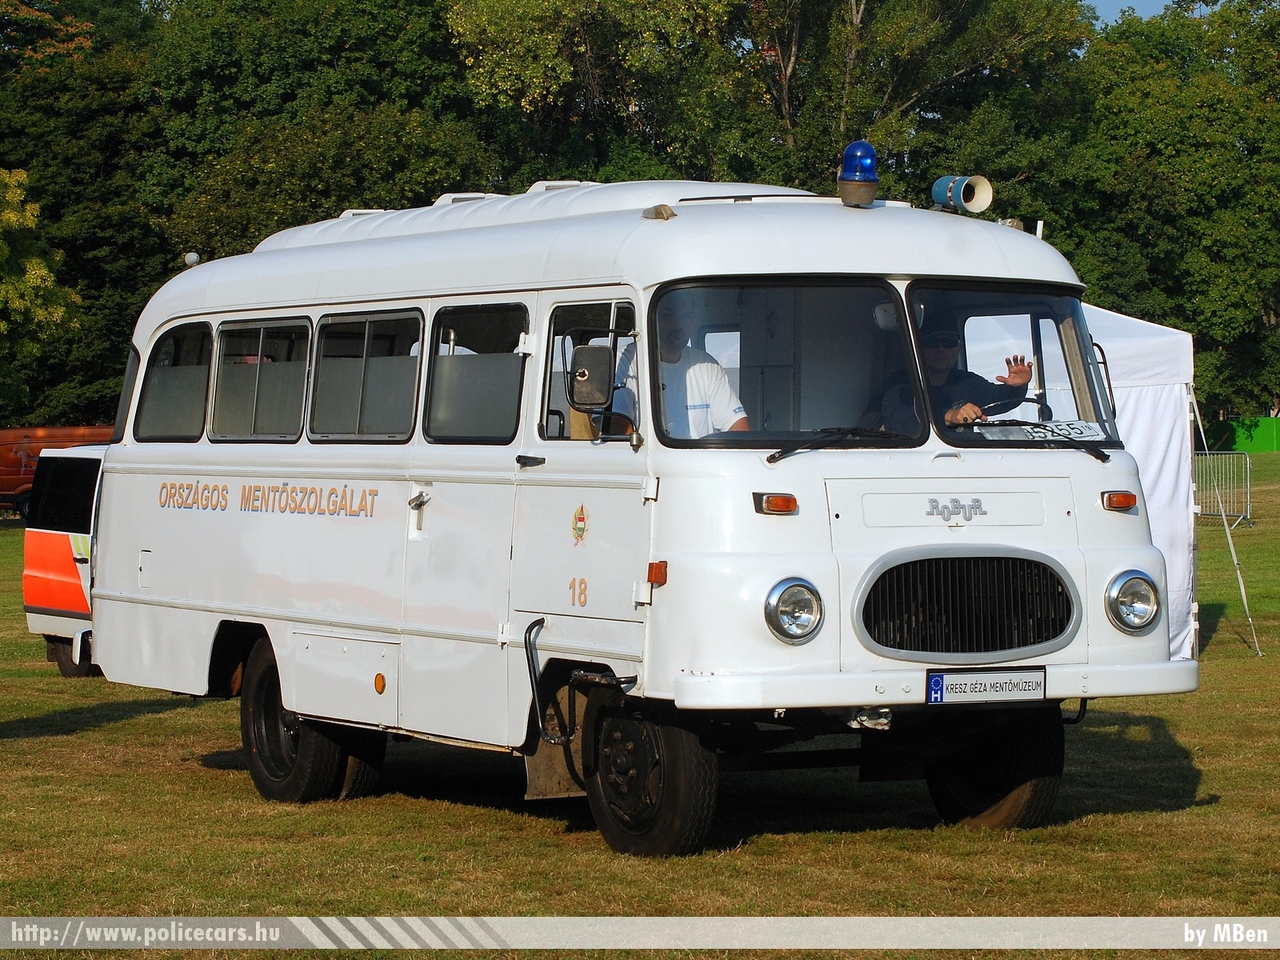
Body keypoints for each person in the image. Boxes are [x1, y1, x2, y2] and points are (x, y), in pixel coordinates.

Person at [614, 292, 749, 439]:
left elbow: (738, 427)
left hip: (700, 454)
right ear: (651, 318)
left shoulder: (706, 364)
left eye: (687, 316)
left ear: (694, 321)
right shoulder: (625, 362)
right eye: (669, 315)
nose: (679, 324)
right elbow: (619, 429)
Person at [881, 324, 1031, 432]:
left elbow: (1003, 401)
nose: (940, 349)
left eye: (949, 342)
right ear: (919, 348)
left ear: (958, 348)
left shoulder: (967, 382)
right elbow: (902, 422)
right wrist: (949, 416)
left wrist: (1018, 386)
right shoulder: (901, 384)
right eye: (931, 343)